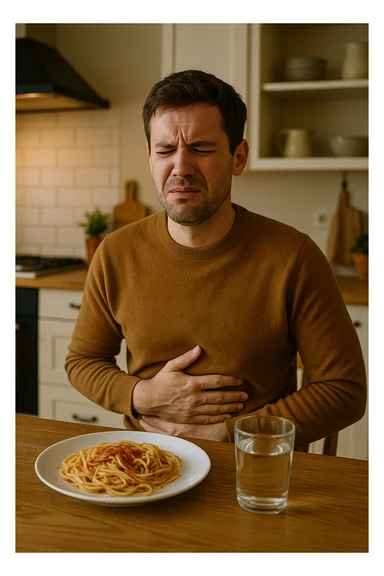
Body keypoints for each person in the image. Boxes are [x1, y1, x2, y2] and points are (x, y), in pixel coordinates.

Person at [65, 69, 367, 447]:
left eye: (202, 148)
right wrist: (144, 395)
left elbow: (345, 391)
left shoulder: (294, 257)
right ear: (149, 157)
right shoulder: (116, 251)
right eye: (164, 150)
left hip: (255, 473)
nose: (181, 168)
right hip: (144, 467)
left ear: (238, 158)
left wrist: (233, 433)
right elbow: (82, 362)